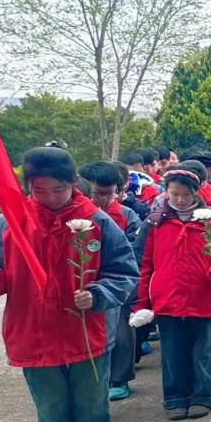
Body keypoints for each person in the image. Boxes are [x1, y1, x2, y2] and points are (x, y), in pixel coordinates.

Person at [0, 148, 137, 422]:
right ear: (27, 187)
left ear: (73, 184)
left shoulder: (96, 220)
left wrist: (98, 294)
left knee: (90, 410)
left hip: (85, 335)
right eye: (40, 191)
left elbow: (125, 272)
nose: (50, 198)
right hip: (33, 335)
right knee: (51, 413)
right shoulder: (11, 222)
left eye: (58, 189)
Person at [132, 166, 211, 422]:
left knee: (202, 350)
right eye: (174, 194)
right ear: (166, 193)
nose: (179, 200)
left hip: (202, 296)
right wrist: (141, 302)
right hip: (167, 298)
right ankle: (175, 397)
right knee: (172, 351)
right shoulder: (154, 223)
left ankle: (202, 396)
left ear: (195, 194)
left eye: (185, 195)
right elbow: (142, 263)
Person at [79, 162, 144, 403]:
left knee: (121, 334)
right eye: (97, 194)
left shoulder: (127, 216)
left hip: (117, 285)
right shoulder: (79, 217)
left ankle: (119, 378)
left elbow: (135, 252)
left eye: (109, 193)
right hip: (85, 287)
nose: (103, 199)